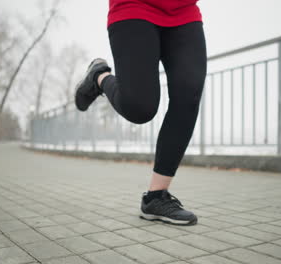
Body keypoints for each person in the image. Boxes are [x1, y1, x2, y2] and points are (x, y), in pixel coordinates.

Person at [75, 0, 206, 225]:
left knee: (188, 94)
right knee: (140, 107)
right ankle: (99, 77)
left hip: (184, 11)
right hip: (134, 6)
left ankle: (156, 198)